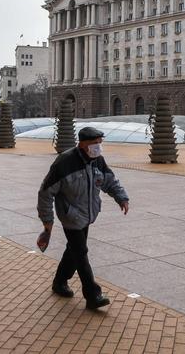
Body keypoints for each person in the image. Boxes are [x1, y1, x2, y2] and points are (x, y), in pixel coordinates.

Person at [37, 127, 129, 310]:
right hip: (70, 216)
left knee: (73, 250)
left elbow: (109, 180)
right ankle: (93, 295)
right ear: (83, 143)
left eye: (100, 143)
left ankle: (59, 282)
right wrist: (47, 221)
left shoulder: (97, 160)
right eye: (94, 143)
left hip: (87, 214)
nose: (98, 147)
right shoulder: (64, 162)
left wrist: (122, 197)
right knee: (81, 252)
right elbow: (45, 192)